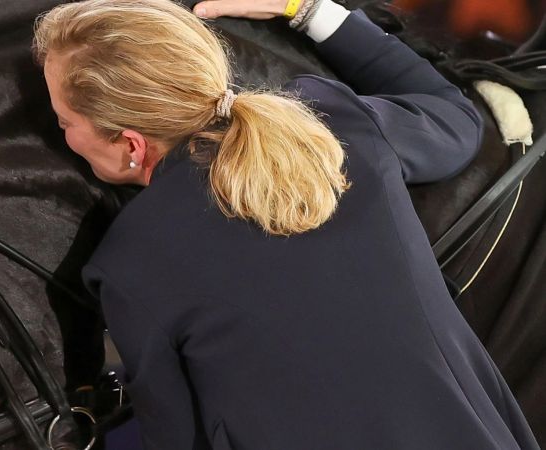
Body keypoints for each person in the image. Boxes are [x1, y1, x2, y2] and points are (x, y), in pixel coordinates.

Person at [34, 0, 540, 448]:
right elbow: (456, 119)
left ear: (131, 144)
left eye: (63, 123)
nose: (64, 134)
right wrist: (306, 9)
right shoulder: (332, 122)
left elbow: (178, 437)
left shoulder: (128, 263)